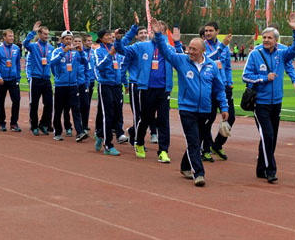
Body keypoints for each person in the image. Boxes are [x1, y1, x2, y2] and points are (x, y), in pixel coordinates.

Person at [151, 18, 228, 187]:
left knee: (198, 139)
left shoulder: (211, 66)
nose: (190, 52)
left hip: (206, 110)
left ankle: (185, 165)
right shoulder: (181, 61)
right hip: (187, 109)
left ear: (202, 51)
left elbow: (219, 88)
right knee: (193, 141)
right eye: (189, 48)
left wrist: (224, 106)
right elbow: (165, 51)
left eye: (194, 49)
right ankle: (198, 173)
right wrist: (158, 34)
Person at [242, 13, 295, 184]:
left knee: (271, 137)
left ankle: (261, 168)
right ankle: (271, 170)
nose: (266, 40)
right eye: (264, 37)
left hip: (277, 102)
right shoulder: (255, 54)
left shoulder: (282, 54)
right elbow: (245, 76)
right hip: (260, 103)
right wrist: (263, 78)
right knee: (267, 135)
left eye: (269, 37)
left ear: (276, 40)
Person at [115, 19, 182, 163]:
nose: (156, 33)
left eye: (160, 31)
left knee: (164, 120)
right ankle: (139, 142)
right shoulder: (141, 46)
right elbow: (122, 50)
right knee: (145, 118)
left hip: (164, 90)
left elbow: (182, 60)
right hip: (146, 89)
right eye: (154, 30)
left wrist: (177, 43)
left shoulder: (168, 49)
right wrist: (118, 41)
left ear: (164, 34)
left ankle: (163, 150)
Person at [202, 22, 233, 162]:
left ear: (217, 31)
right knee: (209, 119)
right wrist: (223, 46)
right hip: (209, 87)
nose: (208, 33)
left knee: (230, 117)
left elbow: (227, 67)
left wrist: (230, 82)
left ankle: (217, 144)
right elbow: (209, 59)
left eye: (211, 30)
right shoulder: (202, 46)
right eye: (206, 31)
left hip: (224, 87)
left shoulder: (224, 47)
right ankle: (206, 149)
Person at [50, 31, 89, 142]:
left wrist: (81, 52)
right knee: (58, 110)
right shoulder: (57, 51)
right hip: (60, 85)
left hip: (73, 85)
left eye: (70, 39)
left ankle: (80, 132)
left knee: (76, 109)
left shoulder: (76, 52)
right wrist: (63, 52)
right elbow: (52, 63)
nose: (69, 41)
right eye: (66, 39)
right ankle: (57, 132)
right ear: (62, 40)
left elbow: (85, 63)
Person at [93, 29, 124, 156]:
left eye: (112, 36)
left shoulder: (117, 49)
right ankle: (108, 144)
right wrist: (109, 55)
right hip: (105, 84)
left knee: (117, 113)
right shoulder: (98, 51)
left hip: (117, 85)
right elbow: (99, 66)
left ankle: (100, 134)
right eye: (107, 35)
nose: (110, 37)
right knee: (108, 113)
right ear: (101, 38)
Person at [23, 21, 54, 135]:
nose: (47, 36)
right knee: (34, 104)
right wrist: (32, 32)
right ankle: (34, 125)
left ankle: (43, 123)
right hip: (35, 79)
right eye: (45, 34)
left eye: (47, 34)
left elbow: (52, 63)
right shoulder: (34, 47)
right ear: (40, 35)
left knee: (49, 103)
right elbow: (25, 43)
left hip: (46, 79)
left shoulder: (51, 48)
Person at [0, 29, 21, 132]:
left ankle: (14, 123)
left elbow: (18, 64)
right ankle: (2, 122)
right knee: (1, 101)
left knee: (16, 100)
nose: (12, 37)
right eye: (9, 36)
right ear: (4, 37)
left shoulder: (16, 49)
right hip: (2, 80)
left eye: (12, 36)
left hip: (13, 79)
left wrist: (18, 77)